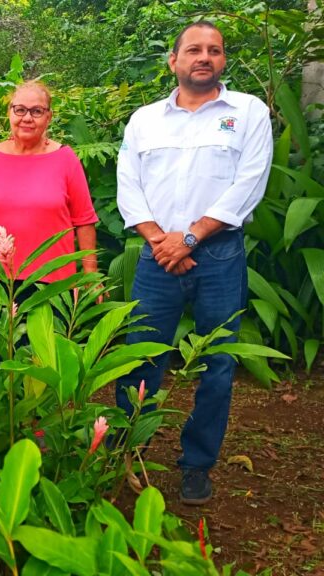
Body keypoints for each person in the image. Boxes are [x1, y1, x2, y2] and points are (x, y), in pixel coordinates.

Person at [115, 22, 273, 505]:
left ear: (223, 60)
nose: (204, 57)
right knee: (140, 356)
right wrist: (162, 241)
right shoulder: (145, 119)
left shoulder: (247, 112)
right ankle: (124, 450)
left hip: (219, 256)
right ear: (174, 61)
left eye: (214, 50)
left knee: (218, 363)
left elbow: (249, 182)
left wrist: (188, 238)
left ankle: (197, 465)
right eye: (193, 50)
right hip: (156, 255)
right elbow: (129, 184)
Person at [0, 80, 100, 303]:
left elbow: (84, 221)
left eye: (37, 111)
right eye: (20, 110)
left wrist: (90, 274)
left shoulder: (65, 158)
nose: (27, 118)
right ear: (9, 112)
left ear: (49, 117)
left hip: (54, 285)